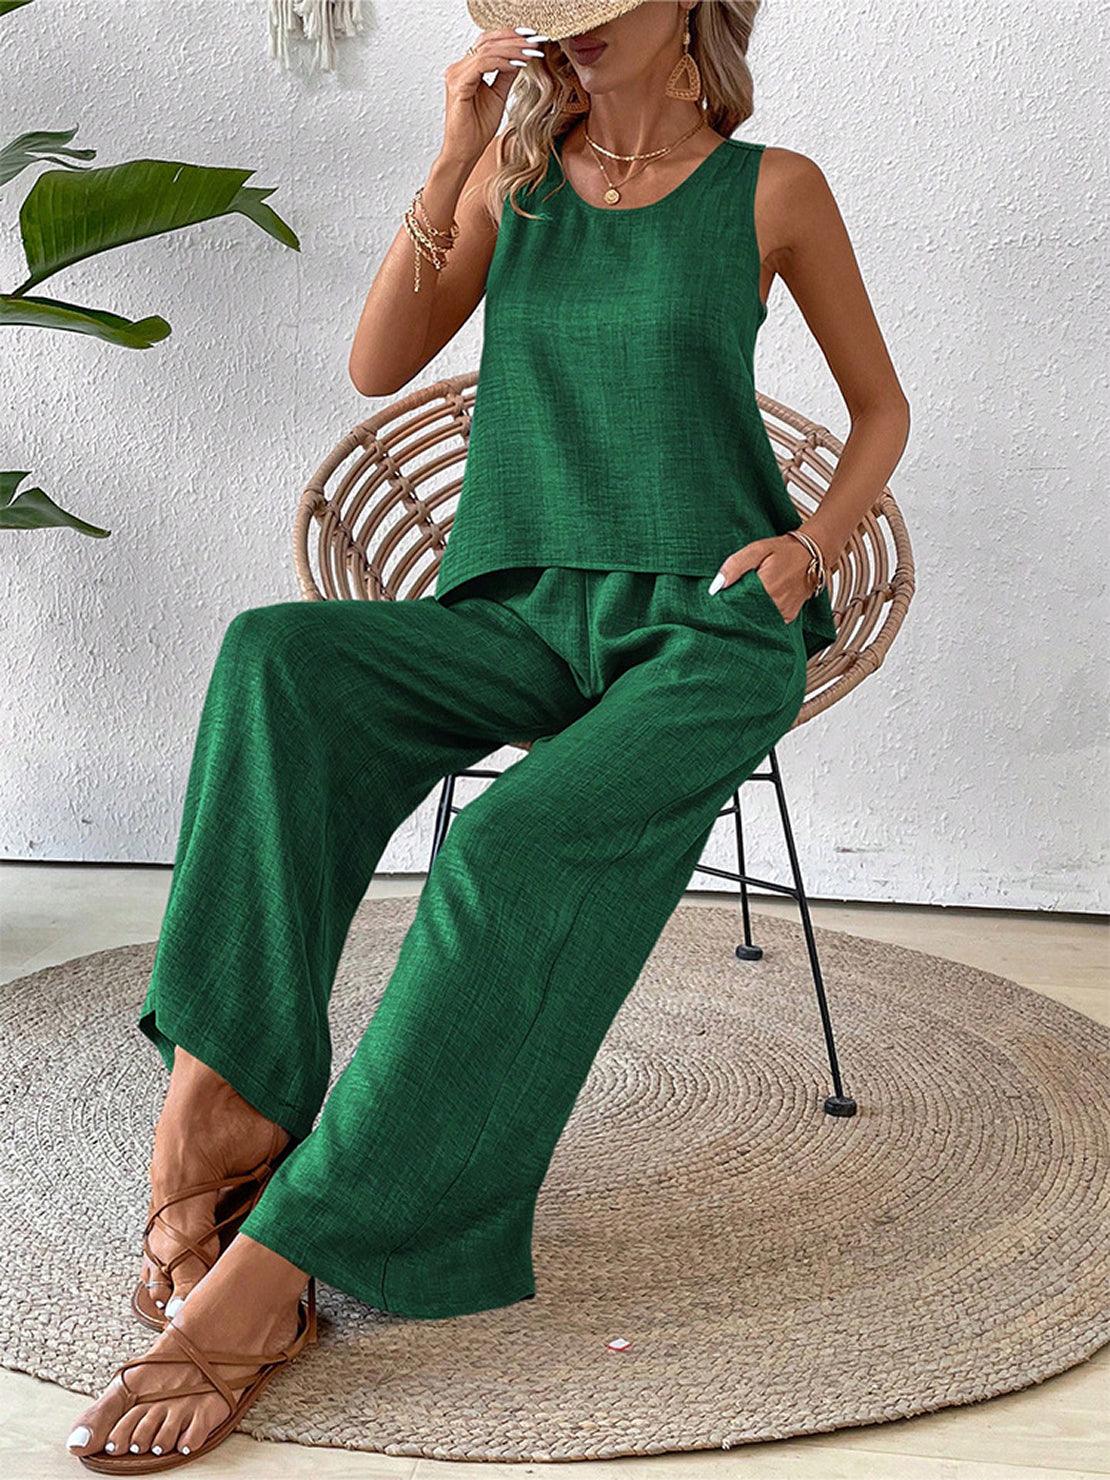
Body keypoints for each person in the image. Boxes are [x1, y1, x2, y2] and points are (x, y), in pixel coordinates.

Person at [65, 0, 910, 1470]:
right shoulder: (511, 185)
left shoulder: (773, 190)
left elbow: (881, 408)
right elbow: (376, 364)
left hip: (709, 631)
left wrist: (813, 544)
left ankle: (278, 1267)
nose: (568, 29)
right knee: (278, 660)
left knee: (509, 848)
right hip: (519, 612)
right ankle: (222, 1108)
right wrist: (452, 148)